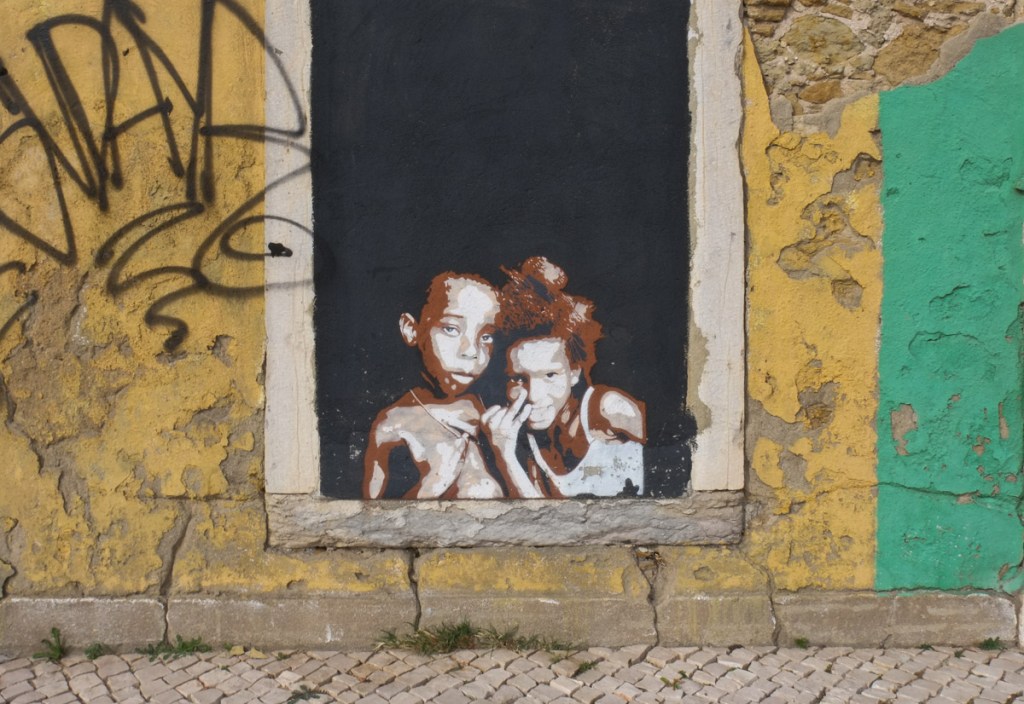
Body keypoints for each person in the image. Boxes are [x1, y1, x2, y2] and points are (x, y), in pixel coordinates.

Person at [482, 257, 646, 498]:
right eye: (518, 379)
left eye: (550, 375)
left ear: (574, 373)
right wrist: (504, 455)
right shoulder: (518, 438)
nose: (535, 395)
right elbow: (538, 520)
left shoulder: (608, 409)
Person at [363, 272, 504, 499]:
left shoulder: (491, 409)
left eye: (486, 336)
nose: (471, 351)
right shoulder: (392, 424)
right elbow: (369, 516)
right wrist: (434, 483)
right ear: (411, 329)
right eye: (451, 329)